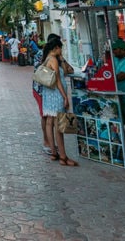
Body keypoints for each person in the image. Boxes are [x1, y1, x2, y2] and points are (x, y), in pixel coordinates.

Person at [40, 35, 77, 166]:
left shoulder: (46, 58)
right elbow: (58, 80)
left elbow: (66, 72)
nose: (62, 51)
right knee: (59, 126)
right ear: (56, 48)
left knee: (50, 123)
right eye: (61, 49)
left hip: (47, 94)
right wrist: (65, 97)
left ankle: (54, 152)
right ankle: (63, 156)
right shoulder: (53, 60)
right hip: (55, 94)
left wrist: (61, 59)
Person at [32, 41, 52, 155]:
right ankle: (47, 141)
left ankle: (50, 141)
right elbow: (40, 70)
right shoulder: (42, 56)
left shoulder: (52, 57)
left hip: (48, 91)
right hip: (40, 89)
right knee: (45, 115)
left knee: (49, 116)